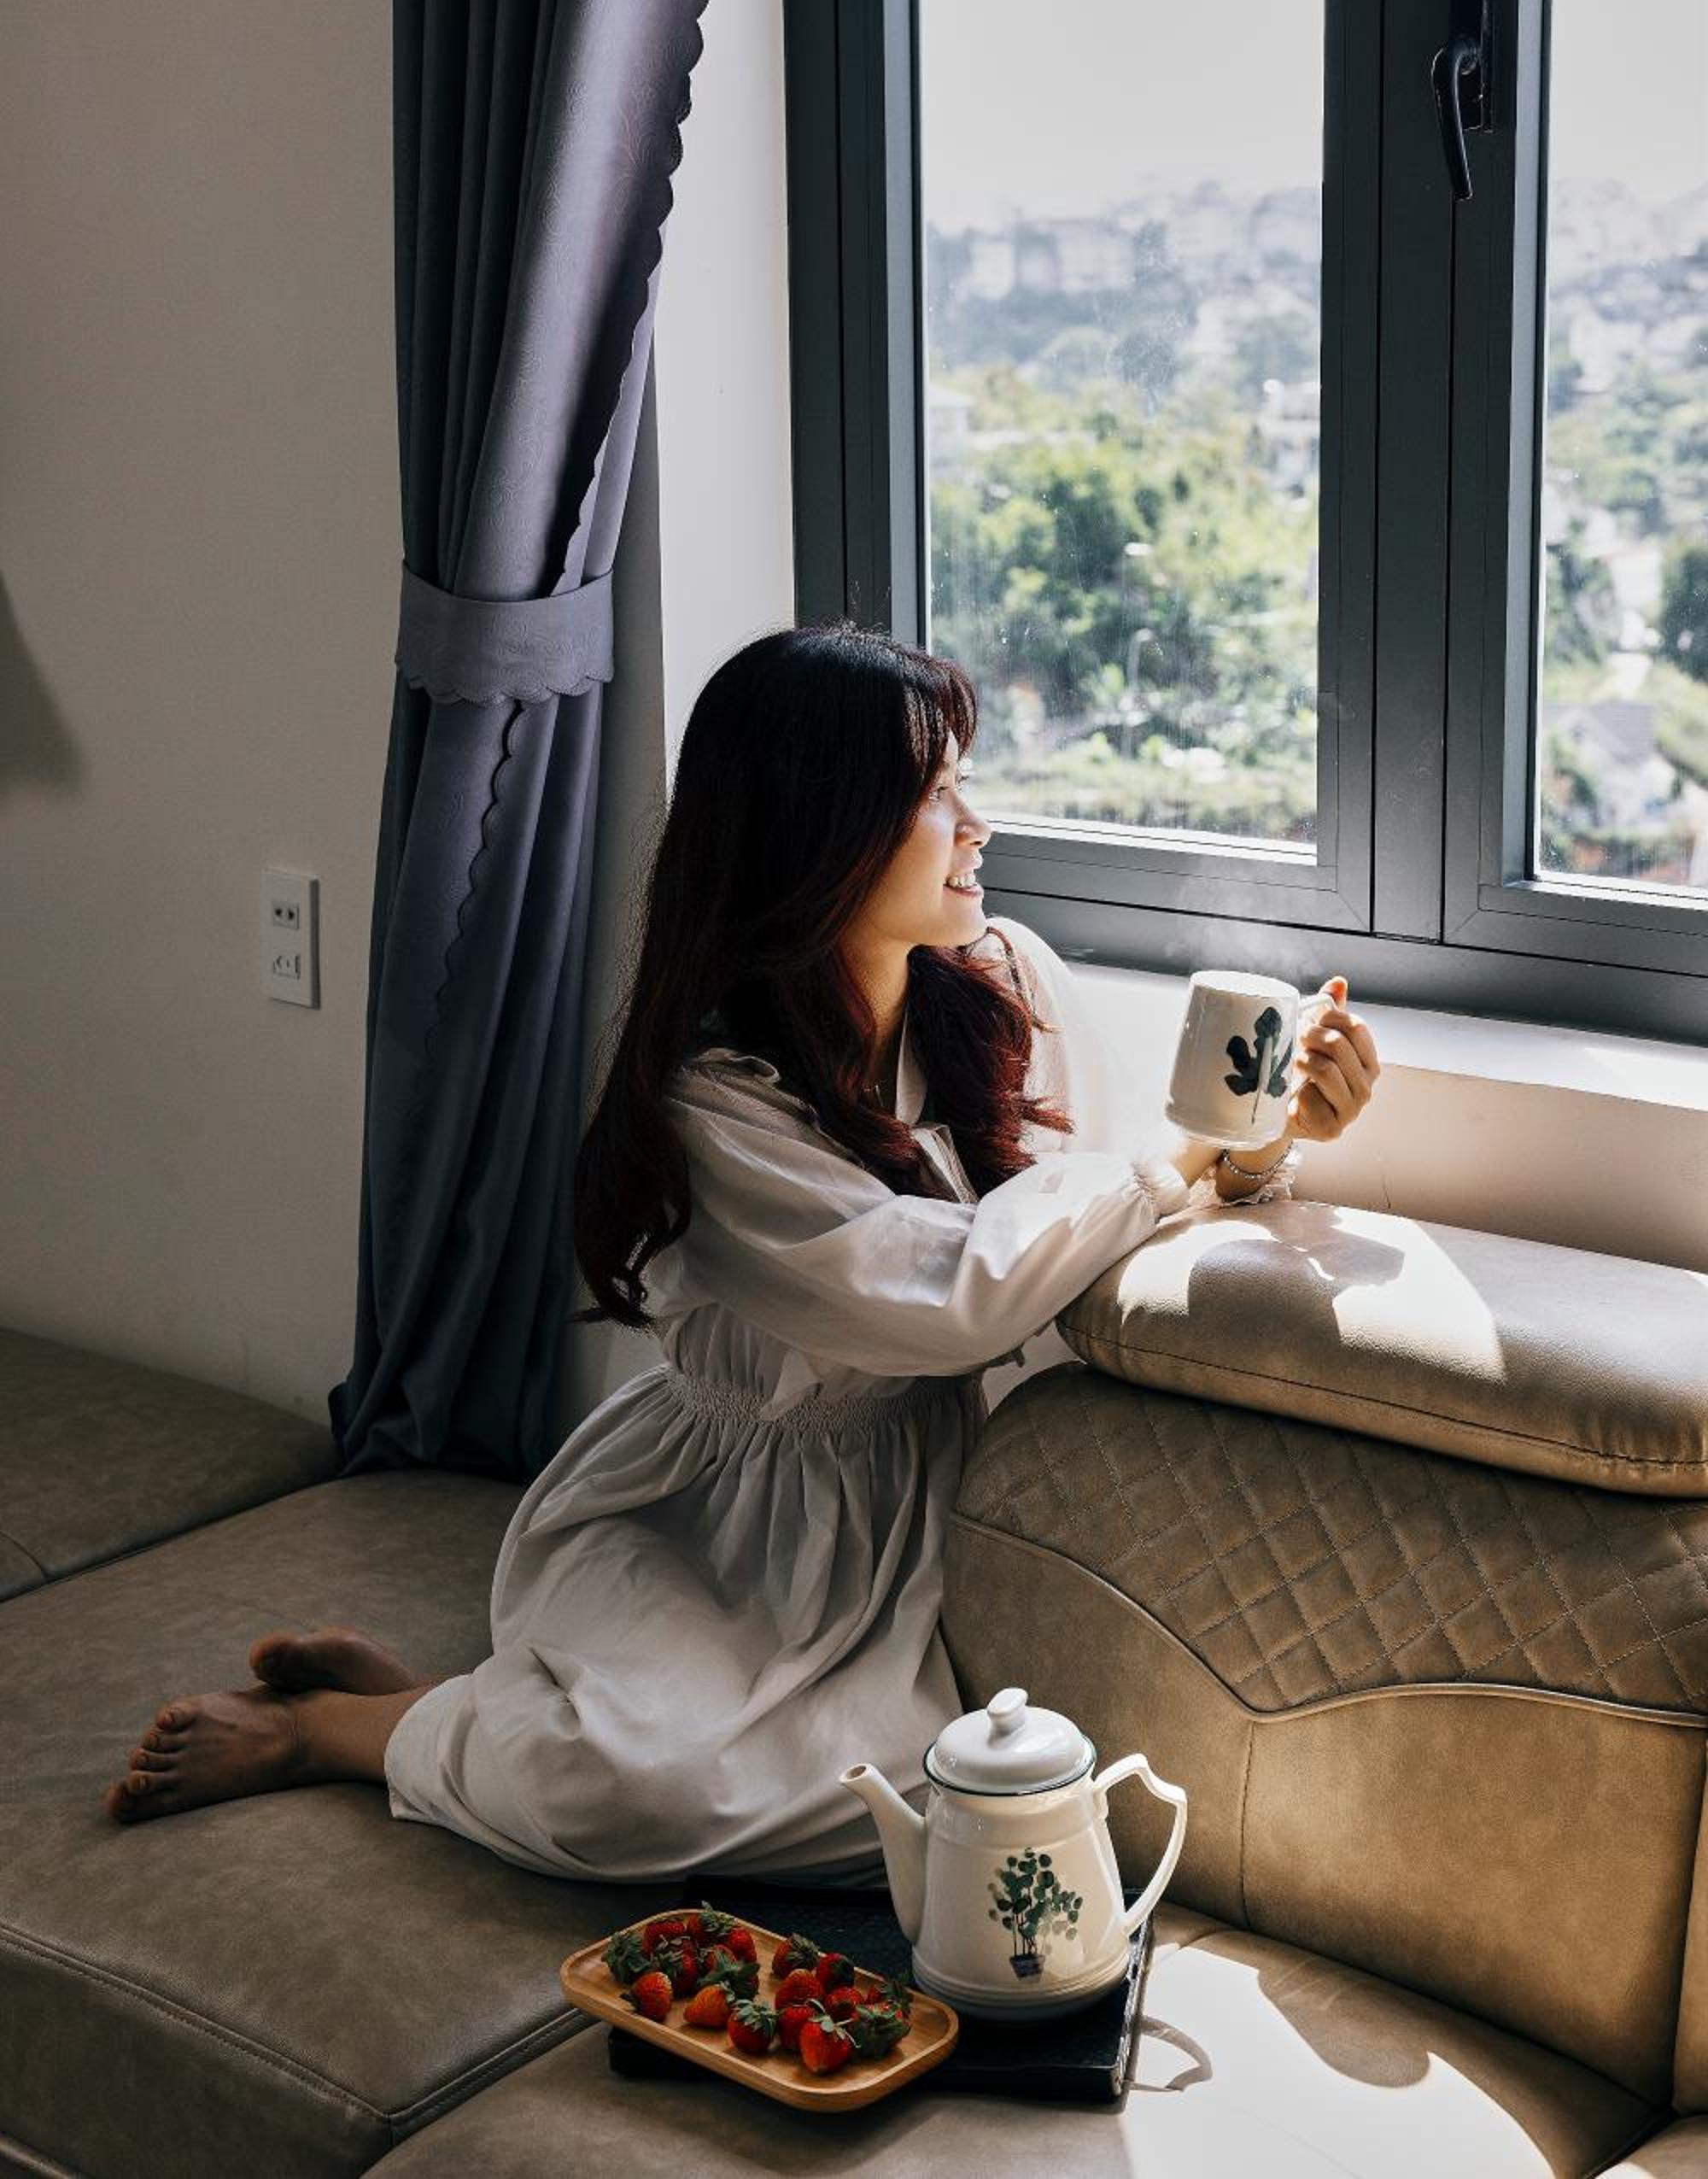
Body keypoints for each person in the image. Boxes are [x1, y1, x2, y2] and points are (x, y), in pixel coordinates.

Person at [104, 623, 1380, 1877]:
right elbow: (958, 1293)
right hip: (718, 1515)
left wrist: (1260, 1144)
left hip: (917, 1503)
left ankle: (458, 1708)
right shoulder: (715, 1096)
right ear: (821, 832)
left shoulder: (1004, 984)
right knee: (636, 1788)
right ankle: (341, 1732)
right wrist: (1188, 1149)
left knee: (955, 1795)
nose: (979, 826)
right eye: (937, 795)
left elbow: (1093, 1229)